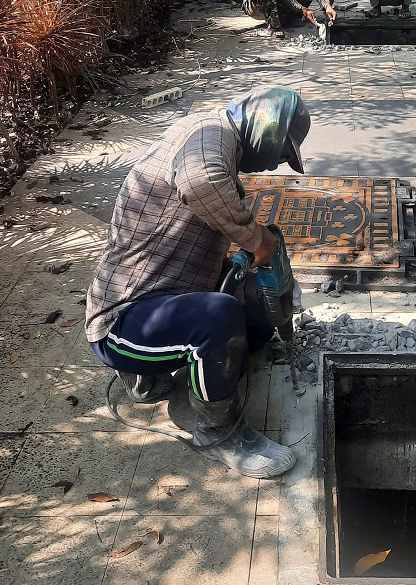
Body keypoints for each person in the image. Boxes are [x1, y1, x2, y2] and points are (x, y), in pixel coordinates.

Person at [85, 86, 311, 479]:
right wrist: (257, 240)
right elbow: (200, 184)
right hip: (122, 323)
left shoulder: (207, 133)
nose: (275, 165)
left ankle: (149, 379)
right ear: (266, 130)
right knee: (218, 316)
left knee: (252, 319)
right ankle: (218, 432)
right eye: (280, 153)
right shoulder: (211, 135)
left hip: (157, 298)